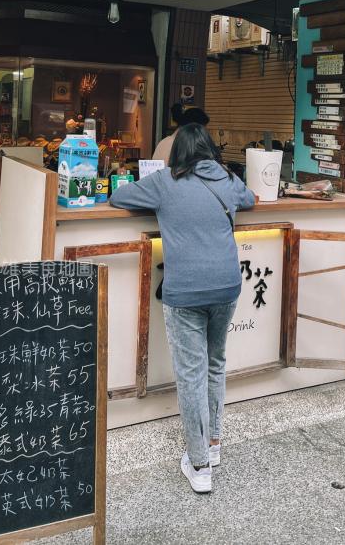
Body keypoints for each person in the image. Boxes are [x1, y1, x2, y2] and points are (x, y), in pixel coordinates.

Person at [110, 123, 255, 493]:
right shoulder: (227, 179)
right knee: (215, 364)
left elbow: (119, 197)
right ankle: (213, 444)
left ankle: (200, 464)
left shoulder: (164, 183)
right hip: (227, 286)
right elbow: (251, 198)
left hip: (186, 291)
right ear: (210, 149)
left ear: (177, 153)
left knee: (191, 375)